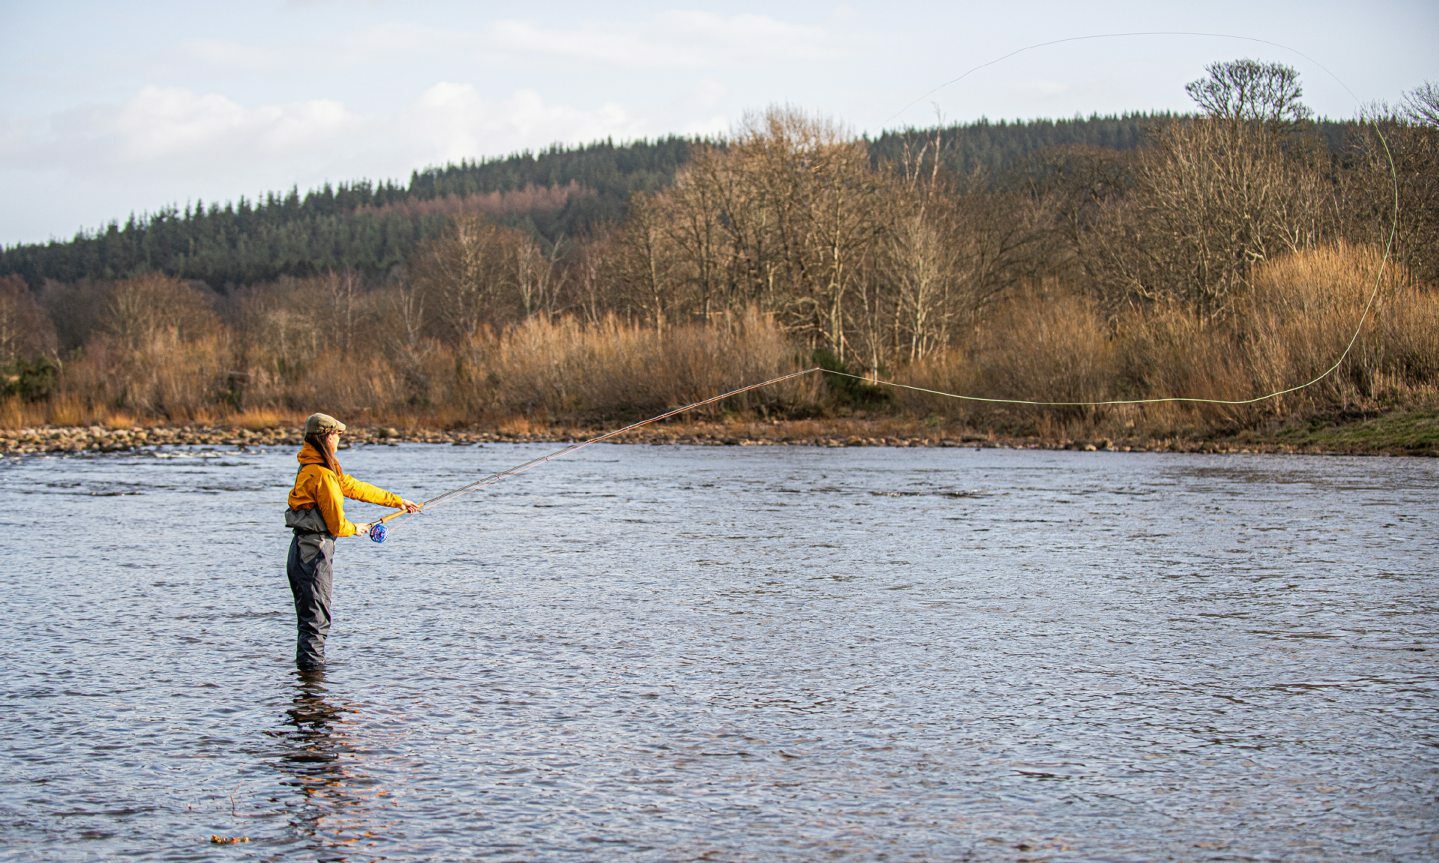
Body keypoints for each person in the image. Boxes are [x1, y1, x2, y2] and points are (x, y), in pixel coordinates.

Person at [284, 413, 422, 670]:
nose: (339, 439)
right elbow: (337, 524)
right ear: (325, 437)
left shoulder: (314, 467)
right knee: (316, 622)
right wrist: (355, 528)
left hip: (302, 551)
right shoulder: (322, 475)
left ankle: (308, 691)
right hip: (312, 554)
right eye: (337, 435)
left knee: (310, 622)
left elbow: (354, 487)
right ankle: (313, 694)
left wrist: (396, 501)